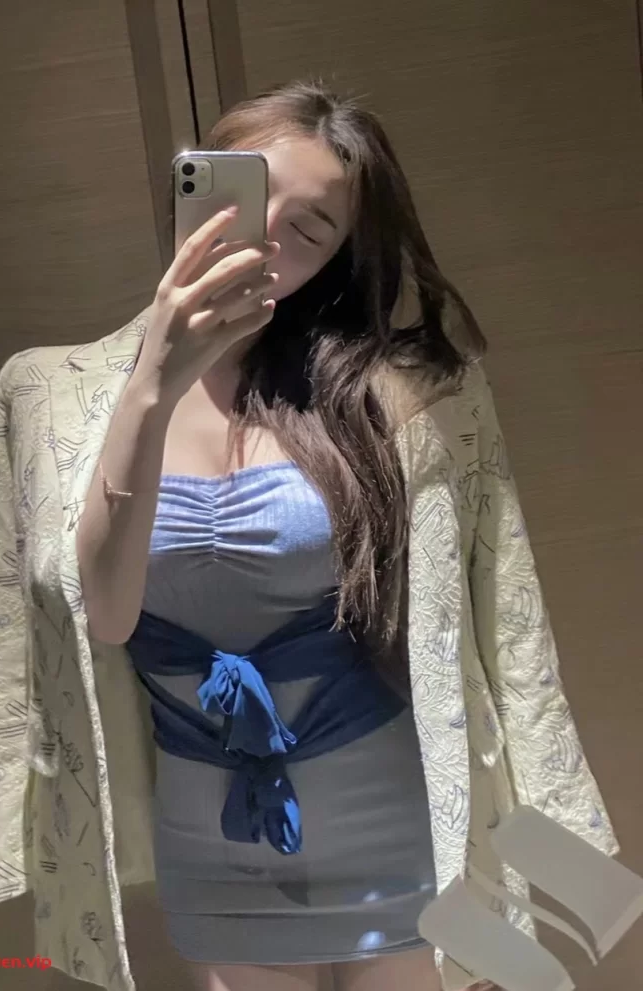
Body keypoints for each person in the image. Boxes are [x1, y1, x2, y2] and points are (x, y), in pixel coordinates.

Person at [69, 80, 611, 991]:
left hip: (393, 824)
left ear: (337, 258)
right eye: (253, 193)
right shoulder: (75, 399)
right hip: (211, 836)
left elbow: (506, 620)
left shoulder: (403, 396)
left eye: (310, 227)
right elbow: (107, 614)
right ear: (200, 183)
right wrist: (153, 384)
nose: (265, 236)